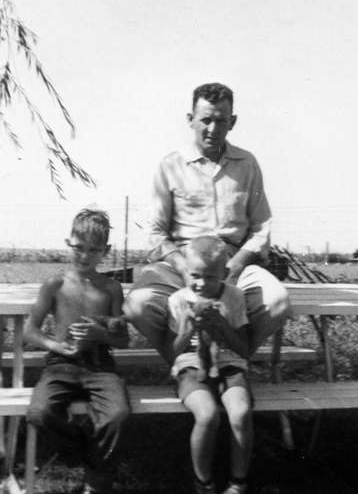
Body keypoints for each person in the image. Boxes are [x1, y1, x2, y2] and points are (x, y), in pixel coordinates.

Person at [124, 81, 291, 361]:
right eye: (205, 120)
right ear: (190, 120)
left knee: (278, 302)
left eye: (221, 121)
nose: (213, 129)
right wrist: (182, 266)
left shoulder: (247, 164)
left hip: (234, 261)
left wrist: (236, 265)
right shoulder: (170, 165)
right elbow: (154, 232)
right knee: (136, 306)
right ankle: (176, 354)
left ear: (233, 122)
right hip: (180, 263)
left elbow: (262, 226)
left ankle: (238, 355)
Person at [25, 209, 130, 494]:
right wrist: (57, 345)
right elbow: (31, 331)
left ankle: (92, 492)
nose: (85, 255)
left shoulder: (111, 289)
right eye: (78, 247)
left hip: (99, 365)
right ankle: (89, 456)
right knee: (39, 413)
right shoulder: (55, 284)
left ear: (106, 252)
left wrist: (101, 333)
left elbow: (122, 339)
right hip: (61, 364)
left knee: (117, 415)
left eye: (94, 250)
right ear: (68, 243)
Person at [168, 235, 252, 494]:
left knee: (240, 412)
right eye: (195, 276)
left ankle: (237, 486)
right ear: (185, 273)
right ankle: (203, 485)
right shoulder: (179, 300)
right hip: (192, 364)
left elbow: (244, 349)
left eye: (211, 277)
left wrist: (223, 326)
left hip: (228, 362)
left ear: (225, 274)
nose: (202, 284)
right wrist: (187, 329)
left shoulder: (234, 296)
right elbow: (172, 353)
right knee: (207, 415)